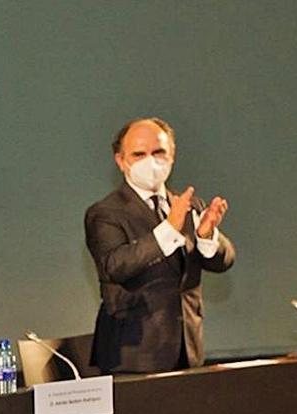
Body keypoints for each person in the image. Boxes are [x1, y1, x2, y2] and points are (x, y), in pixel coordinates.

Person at [86, 117, 234, 373]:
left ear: (172, 155)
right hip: (132, 354)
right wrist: (168, 229)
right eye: (139, 154)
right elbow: (115, 265)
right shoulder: (106, 213)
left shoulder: (188, 204)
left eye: (158, 152)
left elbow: (224, 261)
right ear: (121, 161)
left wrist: (207, 237)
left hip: (187, 346)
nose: (150, 162)